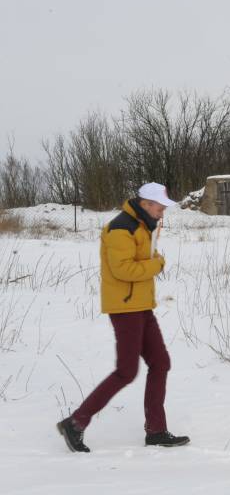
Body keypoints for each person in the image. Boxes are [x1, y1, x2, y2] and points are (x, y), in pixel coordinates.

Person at [57, 183, 190, 452]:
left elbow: (141, 258)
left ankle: (156, 431)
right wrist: (157, 264)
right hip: (124, 307)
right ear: (145, 204)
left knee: (161, 362)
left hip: (141, 305)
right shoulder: (121, 227)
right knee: (126, 371)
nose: (162, 213)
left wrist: (153, 260)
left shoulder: (144, 225)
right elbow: (123, 270)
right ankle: (75, 422)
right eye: (159, 207)